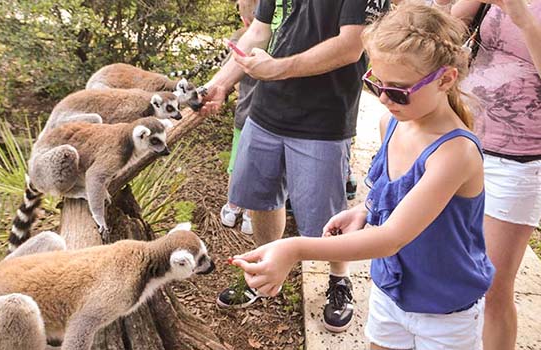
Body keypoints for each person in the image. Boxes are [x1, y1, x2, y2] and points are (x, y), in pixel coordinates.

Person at [230, 2, 496, 349]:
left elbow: (391, 238)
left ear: (446, 79)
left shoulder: (454, 153)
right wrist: (365, 210)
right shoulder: (392, 123)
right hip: (391, 292)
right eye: (376, 84)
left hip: (444, 310)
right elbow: (389, 194)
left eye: (398, 90)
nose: (385, 99)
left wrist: (295, 248)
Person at [201, 0, 389, 332]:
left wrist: (277, 68)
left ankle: (338, 282)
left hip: (323, 119)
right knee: (261, 198)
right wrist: (219, 83)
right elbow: (259, 31)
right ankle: (262, 272)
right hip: (265, 112)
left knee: (328, 217)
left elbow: (350, 46)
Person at [434, 1, 541, 349]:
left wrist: (523, 17)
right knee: (447, 266)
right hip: (462, 139)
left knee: (492, 286)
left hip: (520, 157)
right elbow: (443, 38)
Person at [220, 0, 259, 236]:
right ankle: (250, 215)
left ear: (244, 20)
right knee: (258, 167)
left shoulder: (240, 40)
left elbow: (227, 71)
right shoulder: (279, 41)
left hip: (244, 115)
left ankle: (232, 207)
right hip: (269, 118)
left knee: (237, 164)